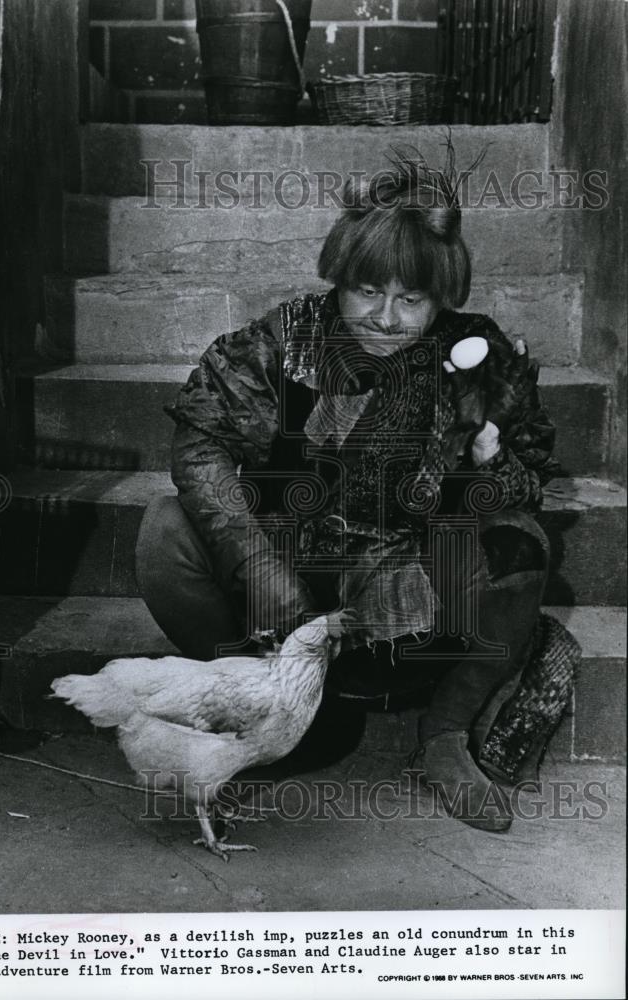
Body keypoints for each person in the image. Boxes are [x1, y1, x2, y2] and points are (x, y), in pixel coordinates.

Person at [136, 152, 558, 833]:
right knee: (164, 531)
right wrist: (257, 563)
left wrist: (493, 457)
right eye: (367, 291)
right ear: (340, 278)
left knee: (519, 546)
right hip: (290, 563)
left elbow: (528, 481)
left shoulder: (478, 356)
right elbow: (200, 446)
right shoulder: (285, 339)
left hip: (406, 571)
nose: (387, 318)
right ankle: (270, 718)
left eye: (412, 300)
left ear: (439, 298)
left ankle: (444, 734)